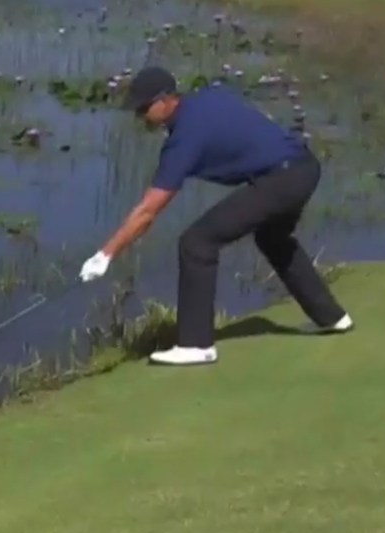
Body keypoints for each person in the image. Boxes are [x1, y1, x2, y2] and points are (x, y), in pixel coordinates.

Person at [78, 66, 353, 366]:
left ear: (166, 100)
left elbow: (148, 211)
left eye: (144, 108)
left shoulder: (185, 140)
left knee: (197, 243)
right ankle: (331, 317)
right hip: (304, 167)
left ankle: (196, 345)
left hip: (283, 178)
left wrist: (106, 254)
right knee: (272, 238)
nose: (140, 116)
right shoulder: (209, 96)